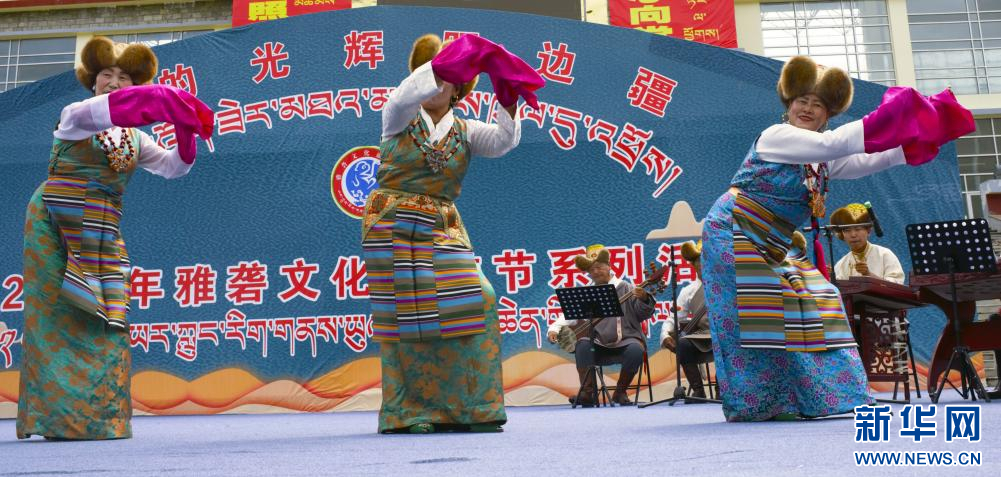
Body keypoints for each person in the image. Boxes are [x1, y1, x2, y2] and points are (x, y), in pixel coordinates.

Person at [699, 55, 973, 421]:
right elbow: (836, 144)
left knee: (821, 297)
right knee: (752, 315)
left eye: (818, 105)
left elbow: (868, 159)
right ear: (788, 105)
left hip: (773, 242)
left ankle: (829, 397)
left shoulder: (817, 160)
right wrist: (899, 114)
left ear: (828, 115)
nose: (808, 109)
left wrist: (921, 137)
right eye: (802, 101)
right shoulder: (777, 137)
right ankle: (757, 403)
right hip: (734, 231)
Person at [17, 36, 214, 440]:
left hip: (100, 227)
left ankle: (100, 418)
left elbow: (174, 167)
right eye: (107, 73)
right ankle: (58, 420)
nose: (114, 82)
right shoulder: (76, 115)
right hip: (56, 221)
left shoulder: (135, 139)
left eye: (125, 77)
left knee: (107, 316)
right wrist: (165, 100)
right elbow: (118, 109)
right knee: (59, 316)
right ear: (93, 80)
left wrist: (184, 129)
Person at [360, 33, 543, 434]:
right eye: (432, 76)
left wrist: (507, 98)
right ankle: (411, 412)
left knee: (480, 298)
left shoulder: (466, 130)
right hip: (394, 220)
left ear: (458, 90)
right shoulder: (398, 116)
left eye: (446, 80)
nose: (435, 85)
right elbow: (407, 94)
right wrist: (443, 64)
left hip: (442, 225)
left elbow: (504, 141)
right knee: (410, 316)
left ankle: (473, 406)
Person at [546, 245, 656, 406]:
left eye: (599, 267)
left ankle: (620, 392)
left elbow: (643, 313)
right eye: (591, 269)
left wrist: (645, 298)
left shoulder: (626, 287)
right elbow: (570, 314)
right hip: (599, 343)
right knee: (583, 344)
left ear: (609, 266)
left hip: (626, 340)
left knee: (635, 350)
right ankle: (588, 393)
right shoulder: (589, 291)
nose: (596, 272)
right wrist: (554, 328)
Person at [660, 241, 712, 399]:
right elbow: (674, 317)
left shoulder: (727, 286)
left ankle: (723, 390)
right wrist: (665, 335)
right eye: (699, 262)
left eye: (707, 260)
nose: (702, 265)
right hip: (703, 335)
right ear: (694, 266)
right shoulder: (688, 291)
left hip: (725, 333)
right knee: (683, 343)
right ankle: (698, 391)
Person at [830, 203, 905, 283]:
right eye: (847, 230)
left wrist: (868, 274)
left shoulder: (884, 254)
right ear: (842, 235)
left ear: (868, 231)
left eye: (858, 229)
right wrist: (829, 279)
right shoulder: (841, 264)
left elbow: (897, 284)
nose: (853, 235)